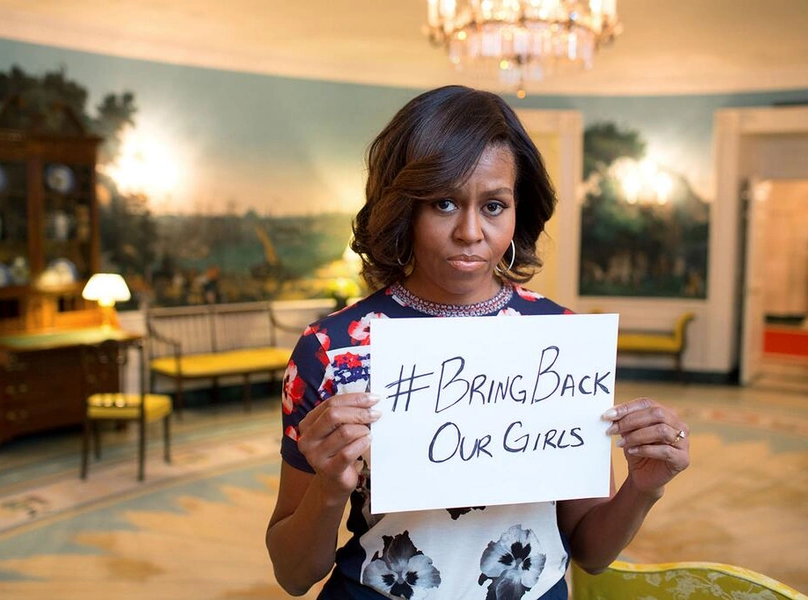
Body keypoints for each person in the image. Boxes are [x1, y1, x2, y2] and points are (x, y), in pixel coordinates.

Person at [266, 85, 690, 599]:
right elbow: (293, 575)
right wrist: (330, 489)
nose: (470, 231)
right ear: (405, 208)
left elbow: (591, 552)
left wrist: (643, 487)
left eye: (493, 205)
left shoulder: (559, 342)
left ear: (517, 212)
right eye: (443, 202)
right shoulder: (331, 350)